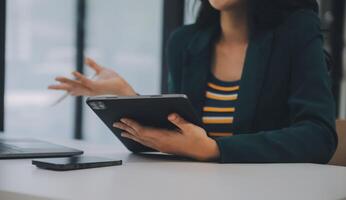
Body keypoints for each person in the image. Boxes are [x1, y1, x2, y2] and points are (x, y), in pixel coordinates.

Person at [49, 0, 337, 163]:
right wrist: (127, 95)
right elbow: (182, 132)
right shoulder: (185, 42)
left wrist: (215, 149)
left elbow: (319, 136)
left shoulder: (297, 30)